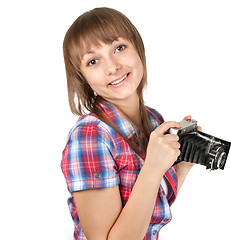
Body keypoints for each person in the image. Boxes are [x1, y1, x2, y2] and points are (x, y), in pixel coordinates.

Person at [61, 7, 199, 240]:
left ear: (138, 48)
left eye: (119, 48)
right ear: (82, 77)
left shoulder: (153, 119)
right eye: (93, 61)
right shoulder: (91, 135)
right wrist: (153, 169)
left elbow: (150, 212)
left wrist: (181, 165)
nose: (112, 66)